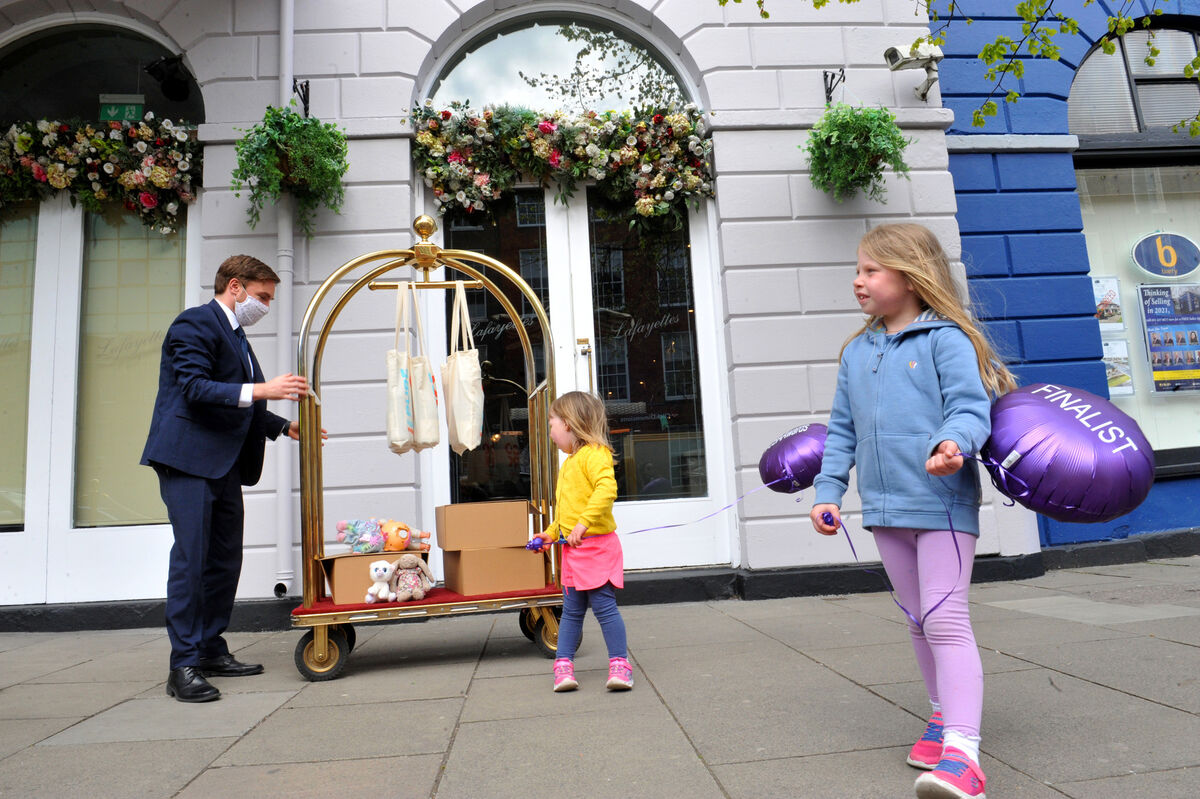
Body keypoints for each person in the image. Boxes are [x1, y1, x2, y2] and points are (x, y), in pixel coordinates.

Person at [810, 224, 1016, 799]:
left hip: (941, 503)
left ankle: (964, 756)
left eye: (871, 270)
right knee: (917, 618)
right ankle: (940, 714)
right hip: (884, 506)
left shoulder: (946, 339)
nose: (858, 281)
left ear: (911, 274)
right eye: (857, 270)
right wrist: (828, 491)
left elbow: (971, 409)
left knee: (946, 619)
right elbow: (842, 430)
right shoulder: (856, 350)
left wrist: (955, 445)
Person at [141, 255, 309, 703]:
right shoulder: (193, 324)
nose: (266, 306)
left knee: (223, 561)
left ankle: (211, 648)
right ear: (234, 286)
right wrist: (262, 389)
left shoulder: (235, 336)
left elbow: (238, 401)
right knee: (192, 562)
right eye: (262, 297)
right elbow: (195, 388)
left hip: (222, 464)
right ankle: (183, 666)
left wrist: (282, 426)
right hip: (188, 460)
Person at [533, 391, 632, 693]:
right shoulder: (569, 464)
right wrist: (550, 533)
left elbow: (606, 490)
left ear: (570, 424)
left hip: (597, 548)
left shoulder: (595, 454)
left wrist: (585, 523)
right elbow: (565, 512)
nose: (549, 432)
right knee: (572, 611)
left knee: (604, 607)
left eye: (552, 424)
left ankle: (620, 665)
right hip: (574, 552)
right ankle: (563, 666)